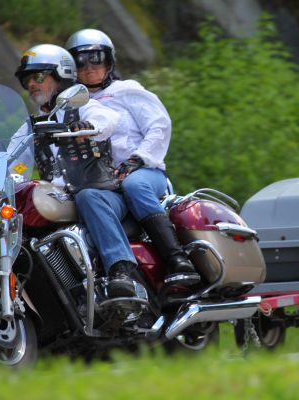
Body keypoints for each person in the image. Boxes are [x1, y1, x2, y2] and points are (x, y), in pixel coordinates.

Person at [65, 29, 200, 288]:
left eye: (96, 58)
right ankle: (120, 273)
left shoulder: (126, 91)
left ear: (109, 61)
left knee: (134, 184)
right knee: (86, 197)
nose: (89, 67)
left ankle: (176, 258)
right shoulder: (71, 105)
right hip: (105, 185)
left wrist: (137, 159)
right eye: (80, 61)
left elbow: (159, 125)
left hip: (145, 174)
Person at [8, 43, 139, 299]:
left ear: (61, 75)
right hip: (59, 199)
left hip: (103, 193)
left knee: (87, 196)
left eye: (37, 77)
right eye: (27, 80)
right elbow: (12, 160)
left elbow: (108, 121)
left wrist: (87, 127)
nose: (32, 85)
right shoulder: (31, 126)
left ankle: (121, 270)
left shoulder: (83, 107)